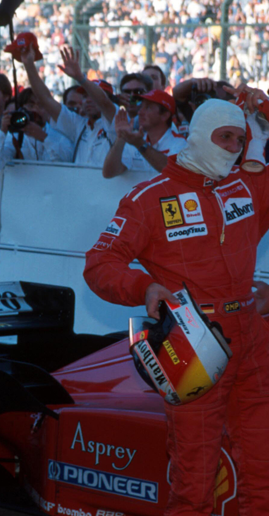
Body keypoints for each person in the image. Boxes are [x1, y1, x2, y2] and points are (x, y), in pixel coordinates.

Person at [84, 90, 269, 516]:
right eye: (224, 138)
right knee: (195, 481)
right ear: (200, 135)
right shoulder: (149, 198)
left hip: (252, 339)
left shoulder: (248, 183)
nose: (233, 148)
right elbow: (99, 263)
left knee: (262, 468)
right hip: (192, 344)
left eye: (239, 140)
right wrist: (143, 287)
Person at [21, 44, 118, 167]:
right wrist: (28, 64)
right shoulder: (79, 125)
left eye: (92, 96)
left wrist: (80, 78)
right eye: (85, 96)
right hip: (79, 185)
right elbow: (46, 99)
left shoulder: (116, 122)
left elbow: (104, 102)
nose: (88, 100)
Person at [0, 88, 73, 172]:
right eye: (30, 105)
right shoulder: (15, 137)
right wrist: (2, 131)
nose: (35, 110)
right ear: (22, 109)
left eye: (41, 106)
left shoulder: (61, 135)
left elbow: (63, 166)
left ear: (48, 110)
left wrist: (44, 138)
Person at [102, 90, 186, 178]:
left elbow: (173, 171)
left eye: (148, 107)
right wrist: (121, 137)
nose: (140, 112)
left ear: (165, 115)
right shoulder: (135, 139)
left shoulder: (180, 143)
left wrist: (140, 145)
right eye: (141, 107)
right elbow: (108, 173)